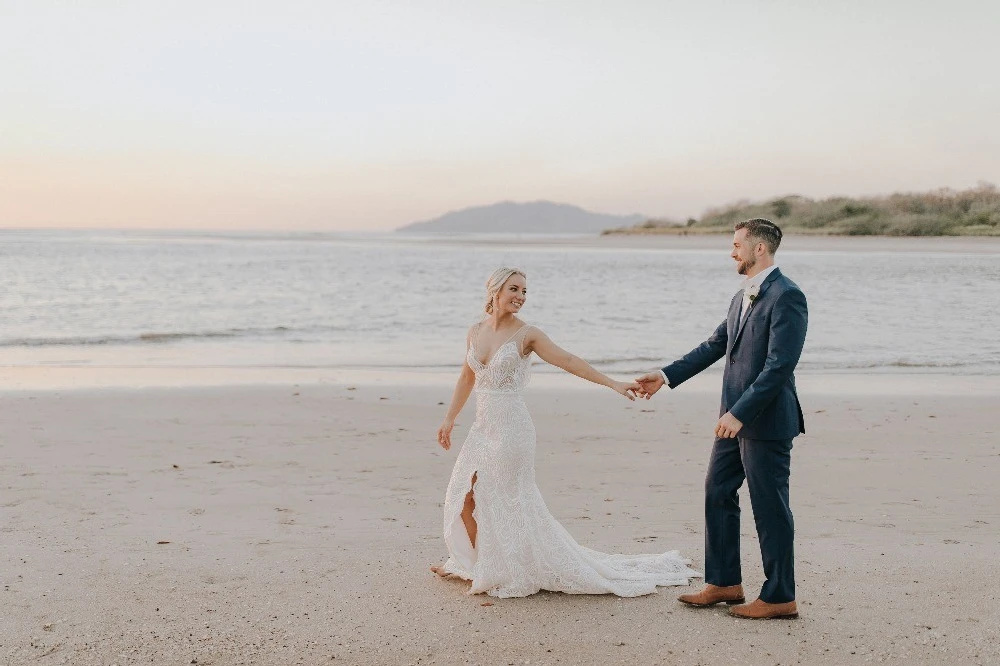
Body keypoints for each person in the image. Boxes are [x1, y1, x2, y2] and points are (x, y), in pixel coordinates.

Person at [432, 267, 700, 598]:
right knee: (464, 495)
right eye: (514, 289)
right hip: (482, 428)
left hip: (512, 429)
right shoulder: (474, 332)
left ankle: (501, 569)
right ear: (495, 290)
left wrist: (613, 383)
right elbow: (466, 379)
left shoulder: (527, 334)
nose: (521, 296)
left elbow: (569, 361)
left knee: (510, 501)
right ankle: (477, 564)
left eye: (525, 291)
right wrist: (449, 419)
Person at [636, 218, 808, 620]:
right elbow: (715, 344)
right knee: (717, 492)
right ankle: (725, 583)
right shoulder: (741, 296)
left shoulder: (787, 296)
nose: (732, 252)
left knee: (770, 507)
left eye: (737, 245)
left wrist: (740, 413)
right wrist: (664, 376)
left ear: (759, 249)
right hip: (731, 419)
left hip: (764, 421)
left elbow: (780, 365)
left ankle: (780, 595)